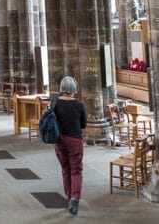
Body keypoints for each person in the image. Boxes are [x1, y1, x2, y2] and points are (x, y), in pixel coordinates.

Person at [52, 76, 87, 216]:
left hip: (60, 140)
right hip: (74, 141)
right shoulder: (79, 105)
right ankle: (75, 196)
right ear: (74, 89)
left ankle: (68, 198)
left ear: (62, 88)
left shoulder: (55, 103)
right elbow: (83, 125)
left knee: (65, 169)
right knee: (76, 170)